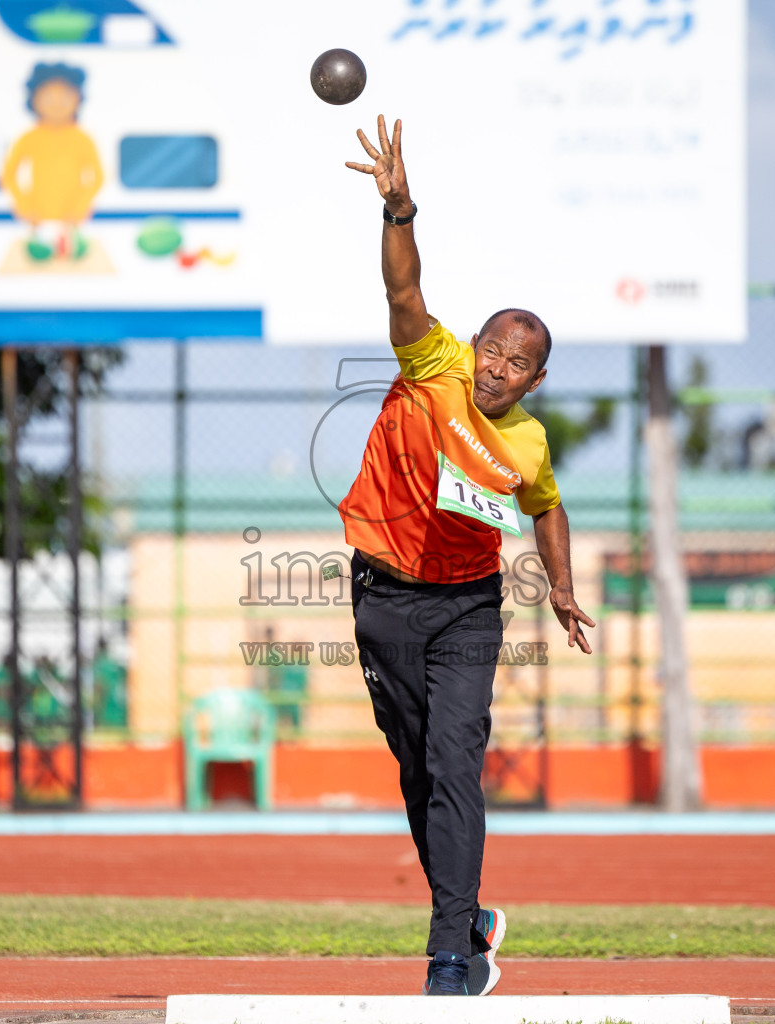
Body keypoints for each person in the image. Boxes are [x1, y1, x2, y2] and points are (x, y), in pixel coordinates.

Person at [340, 115, 595, 997]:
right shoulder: (434, 365)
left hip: (464, 608)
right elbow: (405, 296)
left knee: (456, 760)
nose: (495, 368)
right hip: (380, 593)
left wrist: (561, 588)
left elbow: (547, 507)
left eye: (516, 363)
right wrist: (399, 211)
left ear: (535, 379)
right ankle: (472, 911)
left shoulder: (527, 442)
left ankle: (452, 956)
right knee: (416, 768)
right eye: (493, 350)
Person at [1, 62, 103, 262]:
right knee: (37, 258)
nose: (57, 103)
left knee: (73, 258)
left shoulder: (83, 139)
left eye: (65, 96)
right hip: (37, 214)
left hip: (72, 216)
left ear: (78, 99)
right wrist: (24, 205)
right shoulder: (28, 138)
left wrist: (81, 205)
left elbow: (98, 176)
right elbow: (9, 174)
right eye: (48, 96)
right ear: (34, 100)